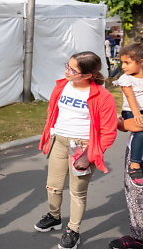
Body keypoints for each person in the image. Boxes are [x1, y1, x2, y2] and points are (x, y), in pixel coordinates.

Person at [35, 51, 117, 249]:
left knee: (77, 192)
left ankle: (73, 230)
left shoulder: (102, 96)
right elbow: (52, 111)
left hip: (82, 147)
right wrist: (50, 134)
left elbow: (108, 132)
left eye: (73, 69)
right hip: (59, 141)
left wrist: (89, 156)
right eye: (67, 66)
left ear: (88, 75)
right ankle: (55, 217)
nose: (67, 71)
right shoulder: (62, 85)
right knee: (52, 185)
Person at [108, 118, 143, 249]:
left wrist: (119, 123)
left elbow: (135, 124)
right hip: (135, 152)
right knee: (134, 197)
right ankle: (138, 237)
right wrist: (124, 123)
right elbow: (128, 125)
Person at [113, 44, 143, 187]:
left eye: (127, 62)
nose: (123, 66)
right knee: (141, 130)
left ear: (141, 62)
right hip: (130, 110)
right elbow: (130, 97)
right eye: (122, 63)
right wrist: (136, 114)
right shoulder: (126, 79)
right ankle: (135, 164)